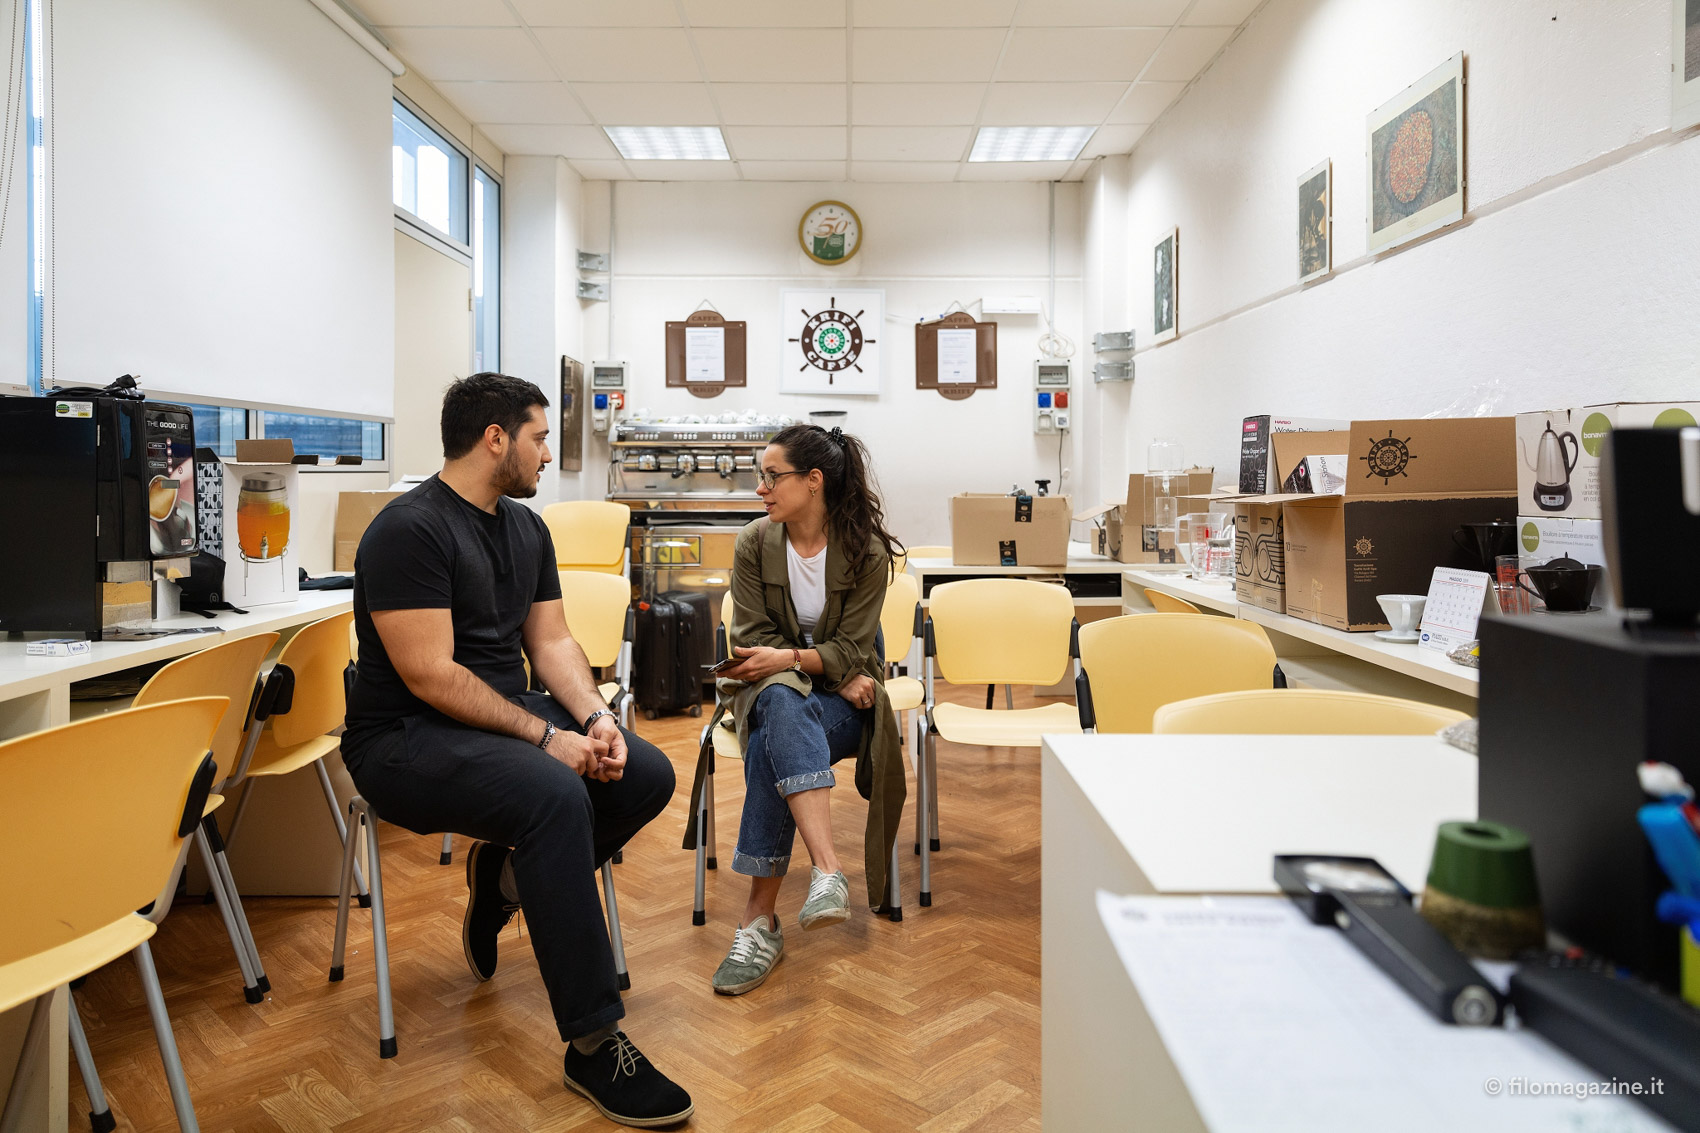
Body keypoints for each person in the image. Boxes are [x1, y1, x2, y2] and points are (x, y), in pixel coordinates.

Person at [341, 373, 692, 1128]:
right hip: (403, 737)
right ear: (495, 438)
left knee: (645, 773)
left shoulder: (526, 528)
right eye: (539, 438)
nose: (547, 455)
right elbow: (430, 675)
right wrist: (545, 736)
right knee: (554, 796)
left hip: (498, 721)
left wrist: (594, 717)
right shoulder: (409, 530)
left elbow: (552, 640)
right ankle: (593, 1044)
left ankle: (502, 881)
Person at [707, 423, 906, 996]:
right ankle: (827, 870)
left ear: (813, 480)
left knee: (776, 729)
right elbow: (752, 641)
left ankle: (758, 924)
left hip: (838, 707)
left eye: (772, 477)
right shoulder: (754, 542)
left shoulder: (866, 551)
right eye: (761, 477)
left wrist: (800, 662)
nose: (760, 489)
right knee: (778, 700)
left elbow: (853, 647)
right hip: (786, 692)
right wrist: (826, 669)